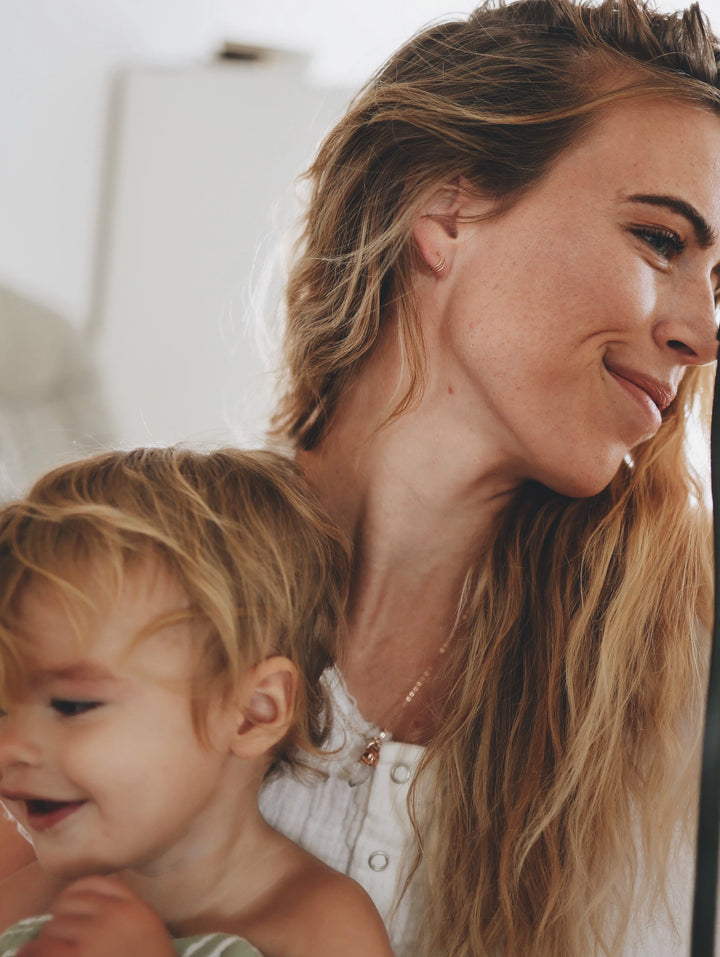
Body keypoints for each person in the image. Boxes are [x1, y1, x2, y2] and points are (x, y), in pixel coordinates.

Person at [2, 0, 720, 954]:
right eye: (661, 241)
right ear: (445, 209)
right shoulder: (113, 582)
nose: (703, 332)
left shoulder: (688, 664)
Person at [0, 447, 393, 957]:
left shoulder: (318, 927)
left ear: (254, 712)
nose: (10, 748)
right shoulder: (22, 909)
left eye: (72, 705)